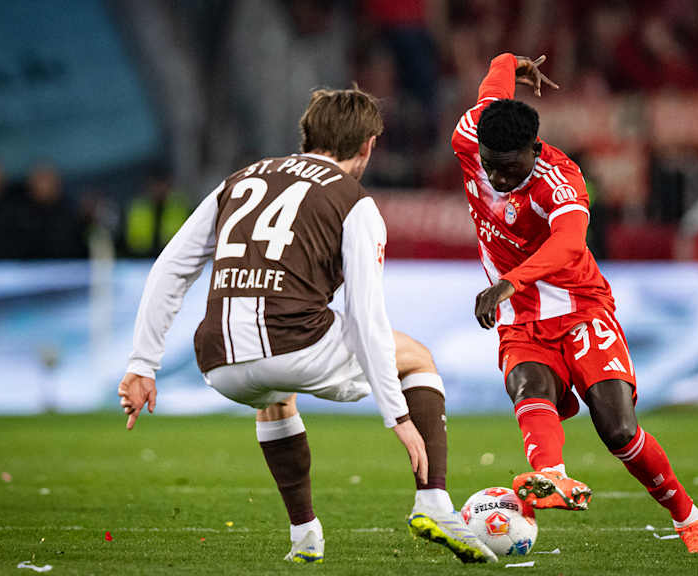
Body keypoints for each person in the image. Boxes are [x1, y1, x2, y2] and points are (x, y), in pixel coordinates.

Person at [118, 87, 496, 564]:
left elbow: (170, 267)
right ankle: (435, 502)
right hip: (296, 345)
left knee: (274, 396)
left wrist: (142, 364)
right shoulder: (354, 203)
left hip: (219, 361)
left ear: (307, 135)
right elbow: (366, 316)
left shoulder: (239, 179)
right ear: (367, 146)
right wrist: (396, 415)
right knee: (416, 357)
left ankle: (305, 536)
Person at [451, 53, 698, 554]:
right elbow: (493, 77)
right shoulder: (471, 133)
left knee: (618, 430)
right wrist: (513, 61)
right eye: (489, 167)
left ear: (534, 150)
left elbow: (568, 246)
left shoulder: (561, 179)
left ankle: (689, 516)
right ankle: (549, 475)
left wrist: (508, 282)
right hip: (520, 317)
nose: (498, 179)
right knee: (527, 385)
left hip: (580, 308)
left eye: (509, 169)